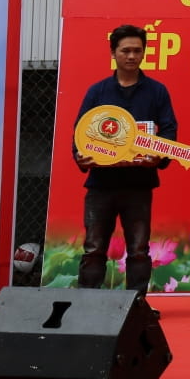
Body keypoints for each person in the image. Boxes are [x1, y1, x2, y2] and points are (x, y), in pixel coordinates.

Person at [72, 24, 177, 305]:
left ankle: (136, 307)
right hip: (100, 184)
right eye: (125, 50)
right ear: (113, 53)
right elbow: (80, 132)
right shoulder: (97, 92)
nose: (132, 56)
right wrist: (80, 155)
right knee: (94, 248)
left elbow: (169, 130)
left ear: (144, 53)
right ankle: (86, 306)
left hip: (138, 184)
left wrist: (160, 155)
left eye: (137, 51)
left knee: (139, 250)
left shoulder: (157, 91)